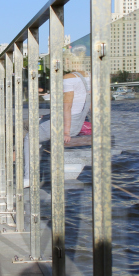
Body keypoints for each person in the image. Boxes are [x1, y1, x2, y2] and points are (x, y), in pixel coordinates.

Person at [23, 57, 91, 188]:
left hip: (65, 123)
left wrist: (66, 131)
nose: (64, 64)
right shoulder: (89, 77)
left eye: (65, 61)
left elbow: (67, 106)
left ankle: (29, 177)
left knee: (29, 138)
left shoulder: (69, 78)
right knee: (41, 121)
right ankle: (39, 171)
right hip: (75, 121)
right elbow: (89, 103)